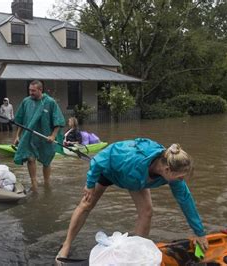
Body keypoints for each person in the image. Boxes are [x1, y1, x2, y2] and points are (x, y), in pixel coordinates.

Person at [57, 138, 208, 259]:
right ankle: (66, 245)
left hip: (136, 180)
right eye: (181, 177)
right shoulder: (132, 159)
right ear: (167, 170)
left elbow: (185, 200)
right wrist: (90, 184)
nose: (182, 180)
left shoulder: (173, 174)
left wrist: (199, 233)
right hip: (110, 170)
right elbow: (98, 161)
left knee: (147, 212)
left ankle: (135, 252)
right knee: (86, 204)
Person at [13, 80, 65, 192]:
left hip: (45, 137)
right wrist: (17, 136)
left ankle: (46, 182)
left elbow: (59, 121)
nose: (30, 92)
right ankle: (34, 183)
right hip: (29, 136)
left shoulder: (50, 102)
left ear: (40, 90)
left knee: (46, 161)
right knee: (30, 159)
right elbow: (20, 121)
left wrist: (53, 135)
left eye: (33, 90)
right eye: (29, 90)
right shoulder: (26, 102)